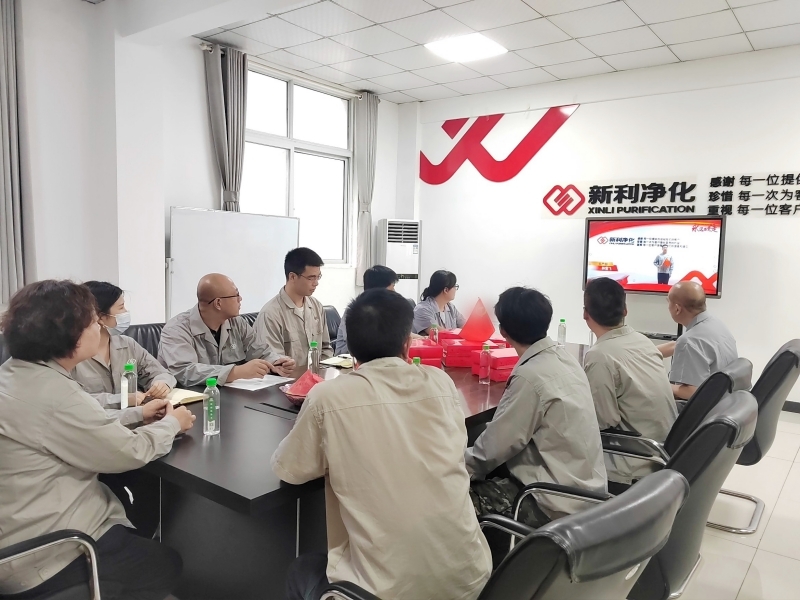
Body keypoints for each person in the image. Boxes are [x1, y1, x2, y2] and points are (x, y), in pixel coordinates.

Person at [273, 289, 491, 600]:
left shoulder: (329, 397)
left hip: (384, 592)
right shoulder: (440, 383)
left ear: (350, 347)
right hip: (470, 578)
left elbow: (290, 469)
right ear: (407, 343)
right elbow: (456, 445)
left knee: (302, 569)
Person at [0, 280, 195, 599]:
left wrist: (138, 414)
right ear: (72, 335)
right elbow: (127, 451)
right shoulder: (55, 393)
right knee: (166, 563)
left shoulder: (16, 373)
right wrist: (173, 423)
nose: (100, 327)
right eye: (93, 322)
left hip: (17, 527)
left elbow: (74, 425)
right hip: (45, 553)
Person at [465, 287, 606, 534]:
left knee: (452, 498)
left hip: (550, 503)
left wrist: (450, 469)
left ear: (503, 331)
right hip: (586, 492)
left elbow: (491, 451)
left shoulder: (530, 377)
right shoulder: (565, 359)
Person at [582, 278, 677, 484]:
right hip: (663, 452)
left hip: (632, 461)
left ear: (585, 314)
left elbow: (603, 421)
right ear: (625, 310)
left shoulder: (600, 356)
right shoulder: (642, 340)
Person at [158, 274, 294, 387]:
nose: (240, 299)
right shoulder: (176, 329)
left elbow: (260, 351)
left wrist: (276, 362)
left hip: (231, 397)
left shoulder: (237, 323)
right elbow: (184, 371)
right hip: (191, 401)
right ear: (218, 303)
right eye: (236, 295)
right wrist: (235, 372)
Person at [72, 281, 177, 428]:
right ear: (99, 317)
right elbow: (75, 402)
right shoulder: (73, 355)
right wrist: (123, 399)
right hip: (97, 428)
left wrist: (161, 384)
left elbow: (161, 373)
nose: (126, 312)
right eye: (121, 308)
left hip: (139, 424)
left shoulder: (127, 344)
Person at [254, 248, 333, 376]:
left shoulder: (316, 306)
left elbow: (325, 349)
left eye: (318, 277)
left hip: (316, 381)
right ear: (292, 277)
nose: (316, 283)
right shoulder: (271, 314)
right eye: (311, 278)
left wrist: (320, 376)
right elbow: (274, 363)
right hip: (287, 384)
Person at [657, 281, 737, 400]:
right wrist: (645, 352)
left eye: (668, 302)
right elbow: (681, 345)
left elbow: (691, 392)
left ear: (677, 309)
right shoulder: (715, 324)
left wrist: (659, 384)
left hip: (705, 406)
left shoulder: (689, 341)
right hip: (726, 401)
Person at [333, 265, 398, 356]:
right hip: (348, 359)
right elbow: (359, 343)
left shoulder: (386, 308)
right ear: (380, 289)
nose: (394, 291)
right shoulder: (357, 309)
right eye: (392, 286)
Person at [412, 270, 467, 335]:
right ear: (446, 290)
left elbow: (466, 327)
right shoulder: (422, 309)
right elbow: (439, 333)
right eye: (454, 286)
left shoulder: (451, 307)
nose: (455, 289)